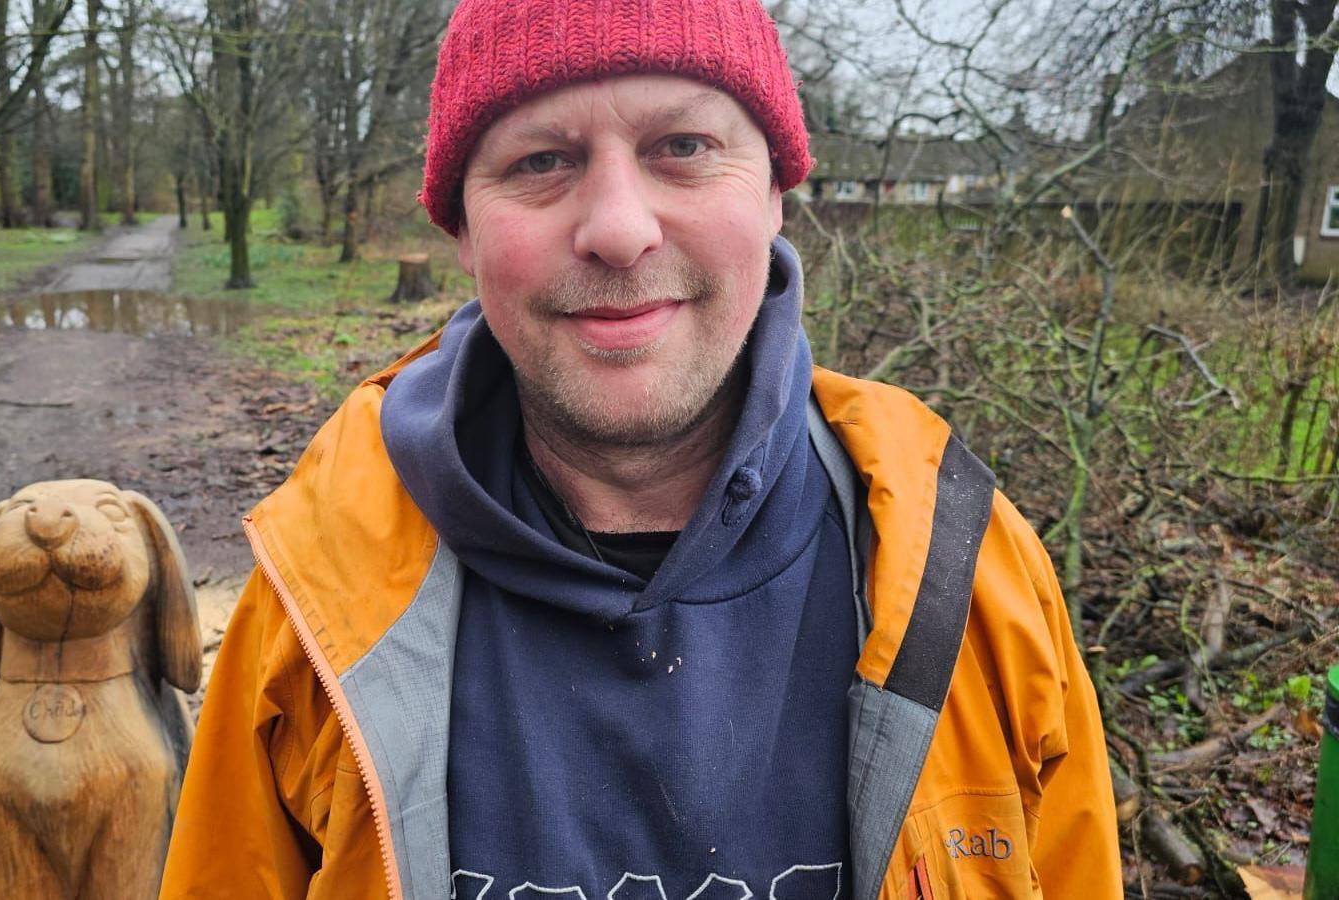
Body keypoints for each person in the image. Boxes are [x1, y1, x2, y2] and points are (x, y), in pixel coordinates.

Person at [160, 1, 1122, 897]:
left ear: (778, 192)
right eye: (541, 161)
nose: (619, 230)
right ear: (462, 228)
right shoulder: (314, 600)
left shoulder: (967, 570)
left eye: (685, 146)